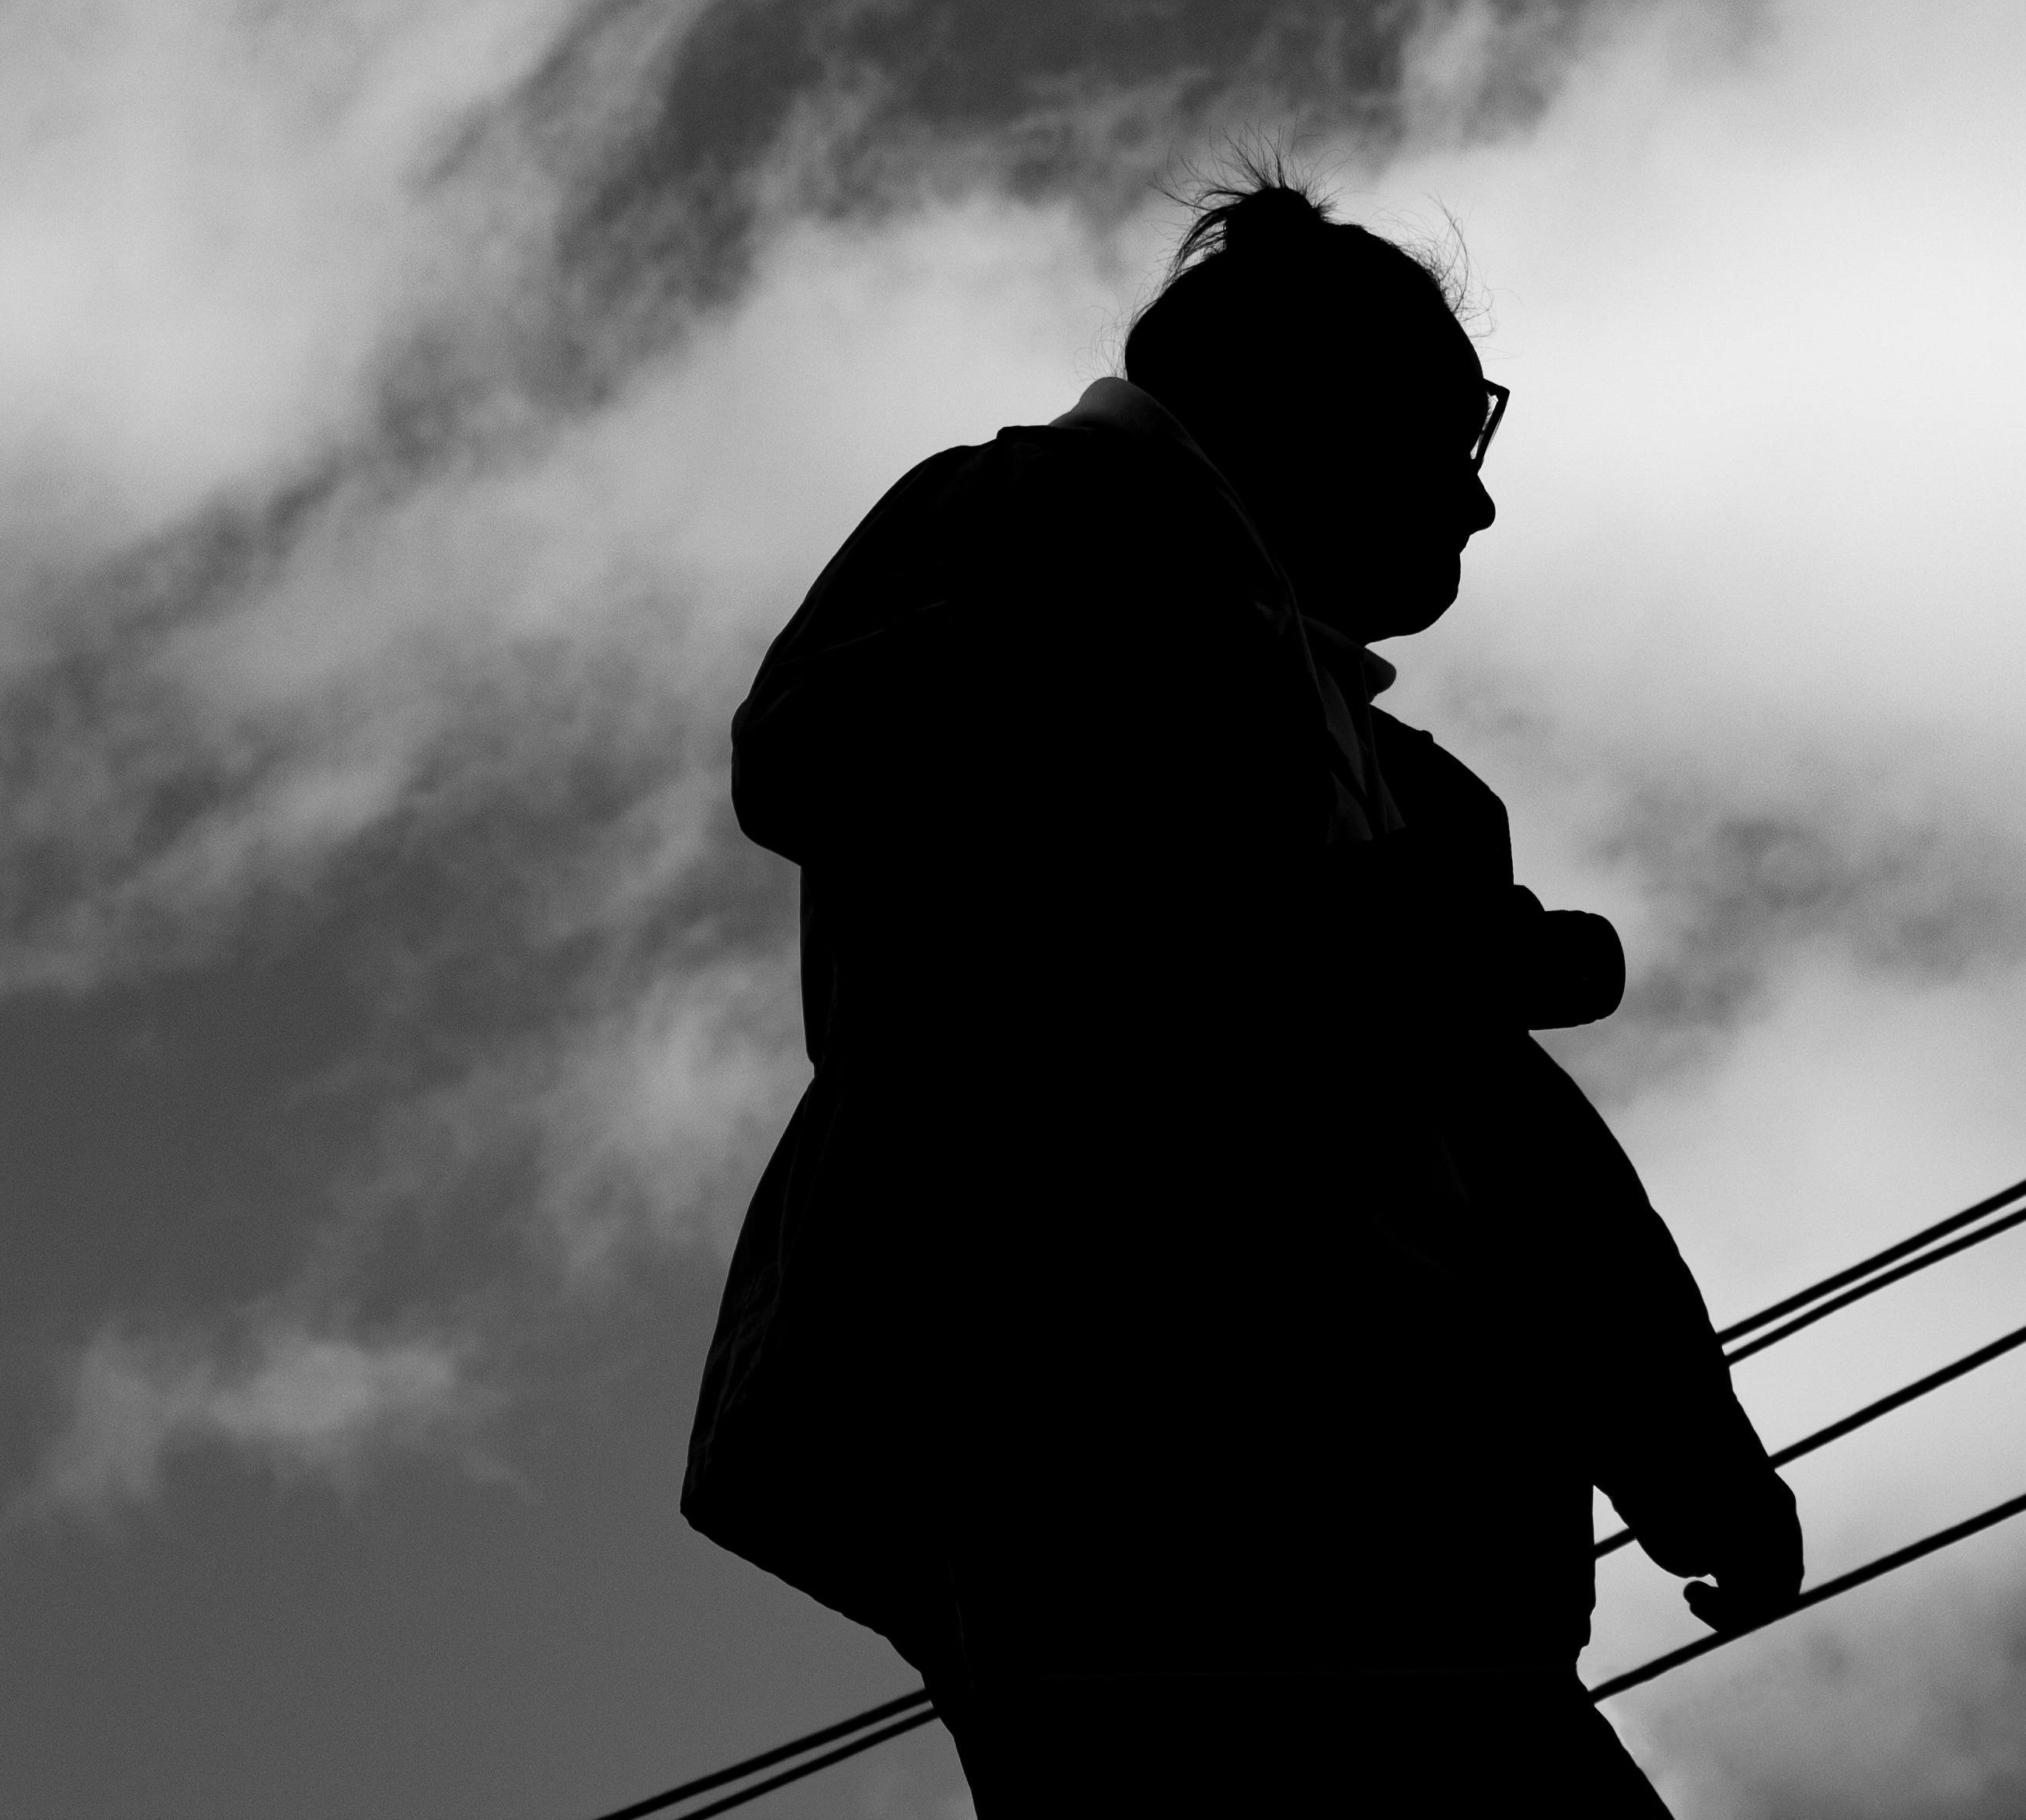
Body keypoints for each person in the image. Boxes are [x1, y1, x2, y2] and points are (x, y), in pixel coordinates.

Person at [680, 175, 1801, 1813]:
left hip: (1399, 1507)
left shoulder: (1408, 789)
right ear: (1312, 404)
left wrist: (1687, 1450)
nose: (1476, 510)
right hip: (1109, 1429)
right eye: (1448, 439)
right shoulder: (1039, 520)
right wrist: (1316, 914)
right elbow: (815, 753)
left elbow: (1530, 1167)